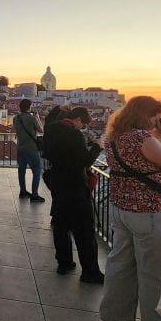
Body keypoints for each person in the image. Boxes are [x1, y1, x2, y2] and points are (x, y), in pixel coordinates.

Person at [98, 96, 161, 321]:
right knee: (154, 274)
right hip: (150, 212)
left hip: (122, 208)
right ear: (147, 115)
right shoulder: (140, 138)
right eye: (158, 117)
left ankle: (111, 314)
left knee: (120, 264)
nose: (160, 121)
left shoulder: (113, 137)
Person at [43, 107, 104, 283]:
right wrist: (97, 147)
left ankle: (64, 263)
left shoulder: (51, 128)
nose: (82, 128)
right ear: (77, 119)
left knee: (61, 225)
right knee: (84, 231)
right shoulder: (74, 135)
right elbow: (85, 161)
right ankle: (90, 272)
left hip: (57, 181)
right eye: (82, 124)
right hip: (75, 185)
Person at [13, 98, 44, 202]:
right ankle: (34, 195)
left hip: (20, 148)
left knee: (21, 171)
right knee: (36, 171)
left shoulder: (15, 118)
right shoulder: (32, 118)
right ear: (29, 107)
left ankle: (23, 192)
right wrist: (37, 118)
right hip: (31, 149)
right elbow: (41, 130)